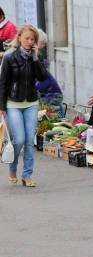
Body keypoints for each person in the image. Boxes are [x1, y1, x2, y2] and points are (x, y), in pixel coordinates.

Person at [0, 25, 48, 187]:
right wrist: (2, 106)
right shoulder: (9, 57)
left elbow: (42, 78)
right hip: (13, 103)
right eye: (26, 38)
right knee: (19, 138)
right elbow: (3, 83)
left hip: (31, 103)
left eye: (32, 39)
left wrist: (35, 58)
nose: (29, 42)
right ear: (19, 38)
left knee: (29, 140)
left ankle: (27, 175)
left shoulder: (35, 58)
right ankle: (12, 168)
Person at [34, 29, 63, 117]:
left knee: (48, 118)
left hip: (51, 95)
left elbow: (41, 83)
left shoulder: (38, 58)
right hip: (47, 94)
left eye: (43, 44)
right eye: (41, 43)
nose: (42, 46)